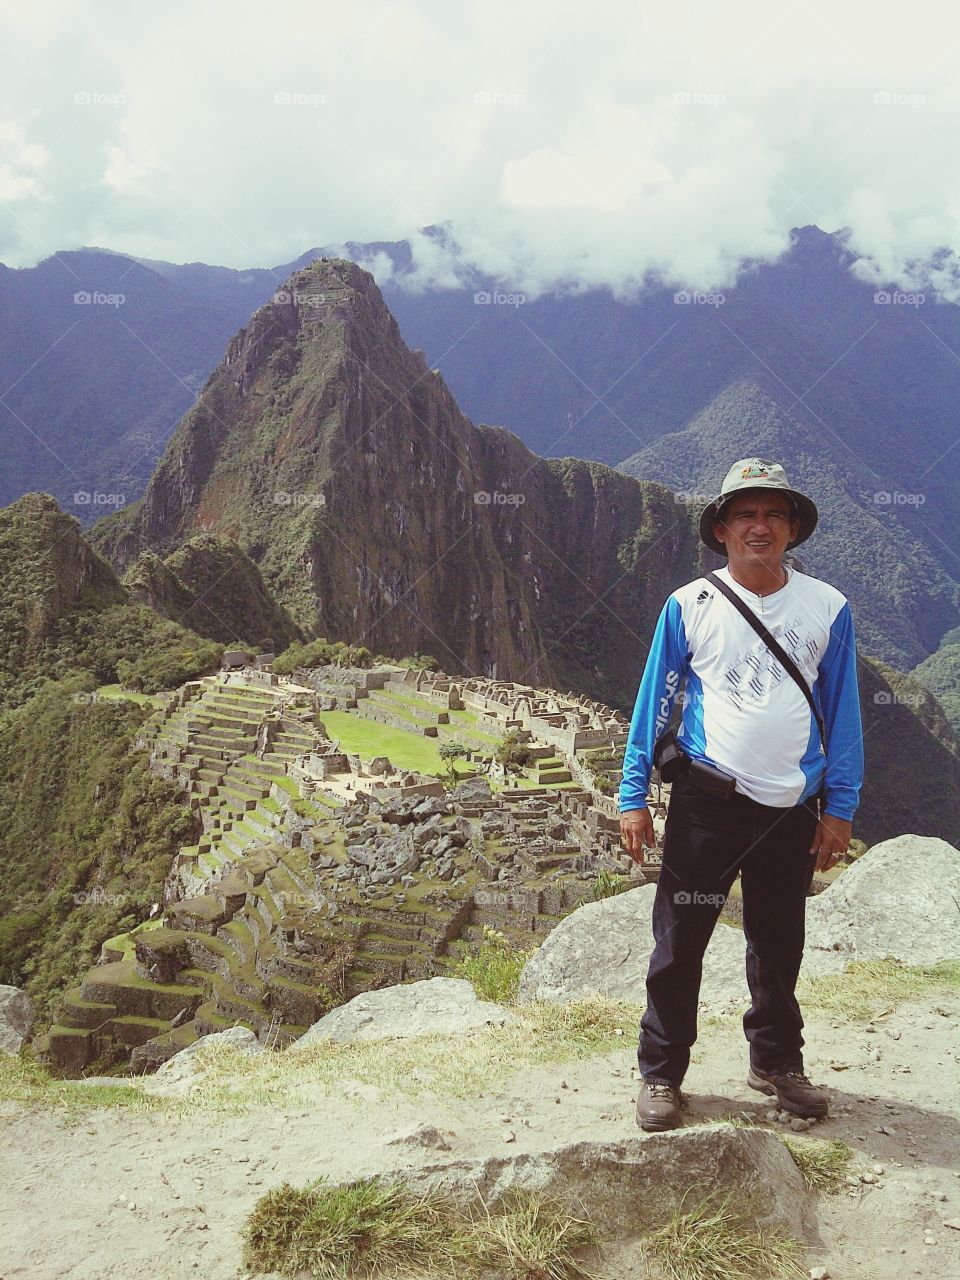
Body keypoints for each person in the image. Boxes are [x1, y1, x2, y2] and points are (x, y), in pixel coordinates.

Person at [619, 458, 864, 1132]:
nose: (760, 526)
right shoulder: (689, 606)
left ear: (790, 529)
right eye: (746, 514)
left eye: (773, 514)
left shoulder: (827, 608)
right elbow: (654, 704)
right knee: (679, 940)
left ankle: (776, 1061)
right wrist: (631, 795)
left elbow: (844, 714)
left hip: (791, 809)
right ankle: (662, 1072)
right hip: (706, 804)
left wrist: (840, 808)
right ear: (722, 528)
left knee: (780, 941)